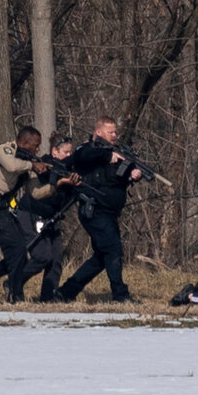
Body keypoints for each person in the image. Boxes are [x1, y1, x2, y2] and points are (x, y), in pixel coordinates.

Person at [54, 116, 143, 303]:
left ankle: (66, 292)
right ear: (99, 133)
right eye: (110, 132)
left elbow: (118, 177)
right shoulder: (87, 149)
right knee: (113, 249)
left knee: (102, 257)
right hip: (94, 210)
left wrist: (132, 173)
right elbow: (80, 157)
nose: (114, 135)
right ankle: (120, 295)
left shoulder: (115, 153)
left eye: (115, 132)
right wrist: (107, 156)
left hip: (110, 212)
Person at [0, 126, 59, 304]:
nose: (37, 149)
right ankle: (15, 294)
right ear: (25, 142)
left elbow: (35, 192)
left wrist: (56, 183)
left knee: (20, 251)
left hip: (3, 210)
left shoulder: (27, 161)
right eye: (35, 145)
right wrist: (33, 165)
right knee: (17, 250)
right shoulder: (5, 150)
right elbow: (11, 166)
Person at [17, 132, 80, 302]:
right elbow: (42, 191)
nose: (69, 156)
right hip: (31, 214)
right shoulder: (43, 165)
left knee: (56, 256)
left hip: (51, 218)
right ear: (54, 152)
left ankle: (48, 296)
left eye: (70, 153)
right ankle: (14, 283)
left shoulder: (69, 170)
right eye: (66, 153)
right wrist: (60, 182)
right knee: (42, 256)